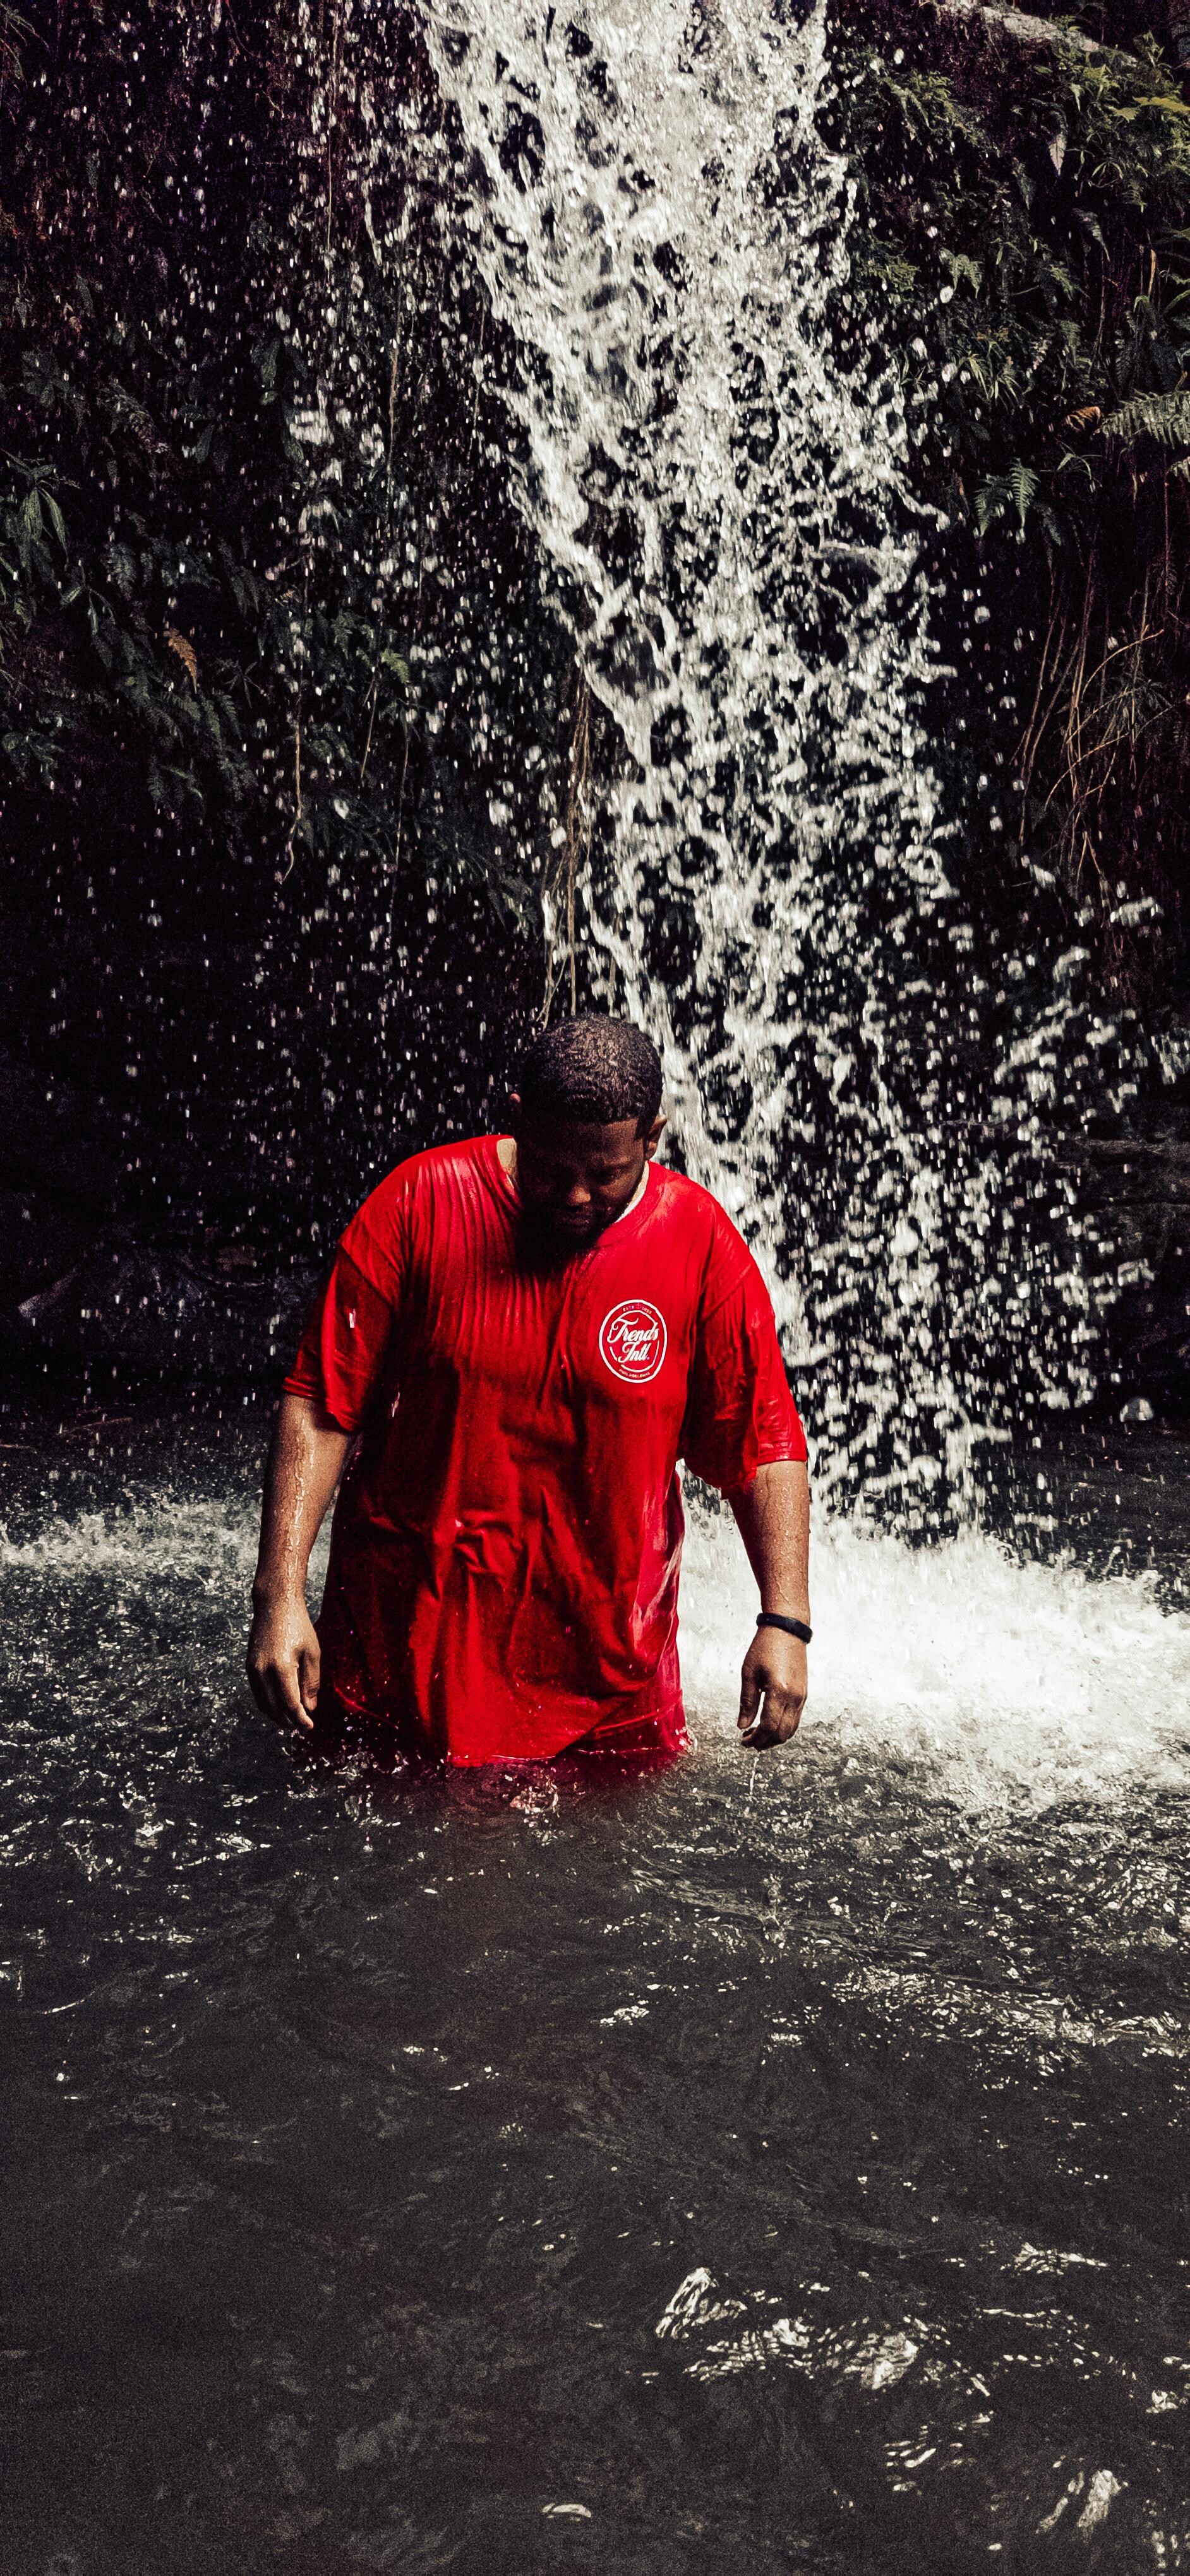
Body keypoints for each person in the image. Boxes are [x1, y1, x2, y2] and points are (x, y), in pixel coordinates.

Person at [246, 1015, 810, 1765]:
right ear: (515, 1119)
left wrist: (786, 1620)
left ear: (653, 1136)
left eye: (604, 1174)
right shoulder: (418, 1203)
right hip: (403, 1656)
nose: (575, 1195)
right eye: (551, 1168)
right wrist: (278, 1594)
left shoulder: (700, 1244)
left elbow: (763, 1442)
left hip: (607, 1678)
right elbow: (323, 1403)